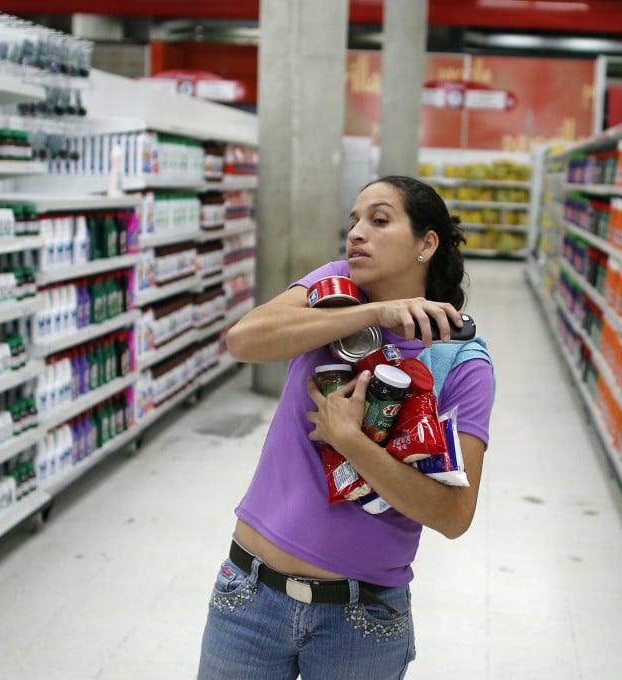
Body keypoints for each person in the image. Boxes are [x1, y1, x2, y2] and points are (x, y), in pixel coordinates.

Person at [197, 175, 496, 680]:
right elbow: (245, 341)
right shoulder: (334, 288)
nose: (358, 232)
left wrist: (351, 442)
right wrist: (373, 312)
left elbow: (453, 515)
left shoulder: (461, 363)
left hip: (361, 622)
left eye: (379, 220)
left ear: (427, 243)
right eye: (353, 221)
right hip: (248, 594)